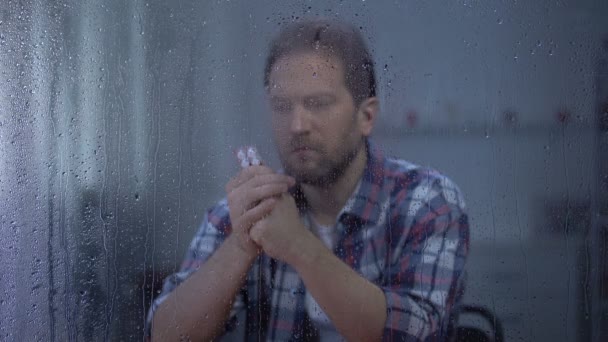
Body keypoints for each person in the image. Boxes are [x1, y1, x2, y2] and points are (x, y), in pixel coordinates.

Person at [146, 18, 469, 341]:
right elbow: (163, 337)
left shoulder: (426, 201)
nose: (297, 124)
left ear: (366, 117)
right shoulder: (247, 211)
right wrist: (241, 245)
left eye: (318, 104)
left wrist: (298, 245)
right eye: (281, 106)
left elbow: (418, 335)